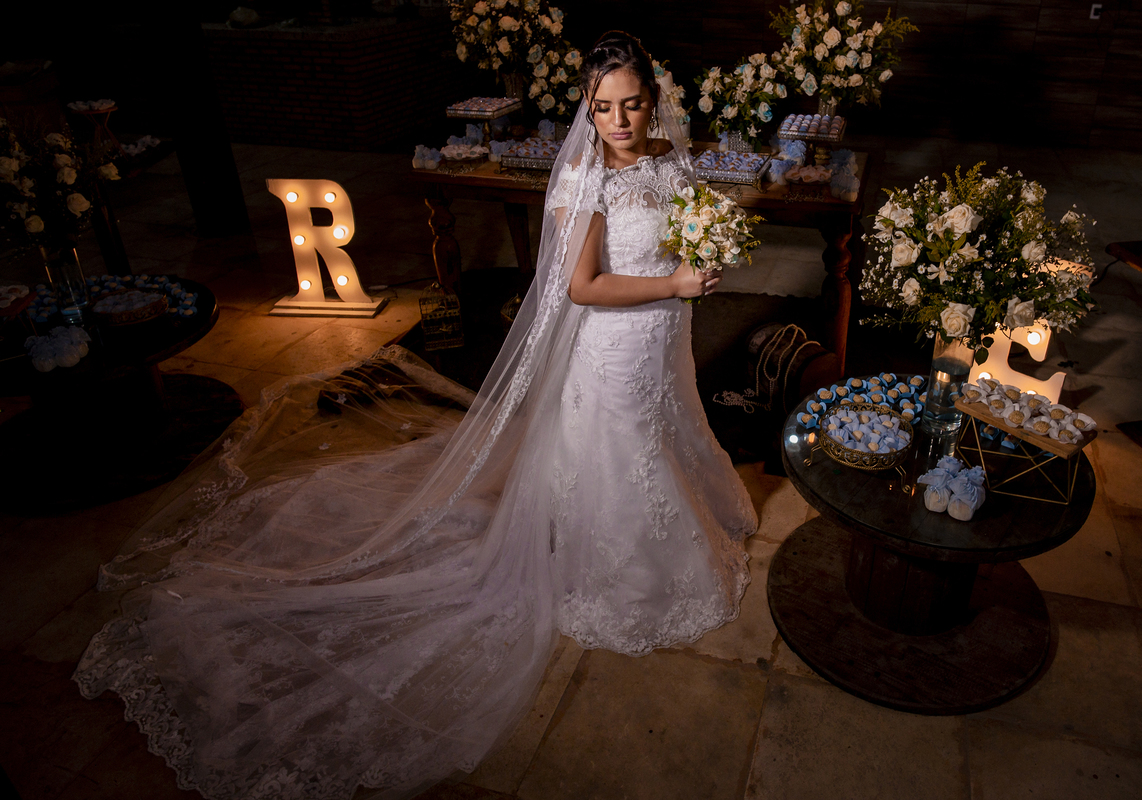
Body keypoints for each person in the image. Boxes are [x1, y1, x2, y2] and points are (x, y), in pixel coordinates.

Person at [74, 31, 755, 800]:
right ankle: (620, 577)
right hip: (618, 347)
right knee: (623, 447)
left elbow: (686, 234)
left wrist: (701, 262)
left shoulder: (669, 158)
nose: (621, 121)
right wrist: (674, 286)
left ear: (651, 98)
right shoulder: (584, 183)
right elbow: (581, 289)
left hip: (665, 340)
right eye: (604, 108)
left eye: (632, 104)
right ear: (586, 109)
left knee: (663, 432)